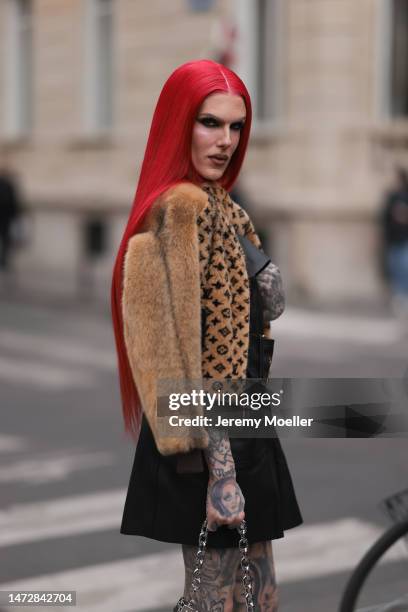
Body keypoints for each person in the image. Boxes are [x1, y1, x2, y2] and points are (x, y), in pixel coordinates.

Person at [111, 59, 303, 611]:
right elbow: (177, 356)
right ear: (178, 125)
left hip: (244, 420)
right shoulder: (178, 213)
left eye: (235, 127)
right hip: (207, 439)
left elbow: (271, 304)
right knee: (218, 602)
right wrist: (222, 473)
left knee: (259, 599)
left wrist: (260, 266)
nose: (224, 141)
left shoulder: (227, 212)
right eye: (209, 123)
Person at [381, 168, 408, 320]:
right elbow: (384, 218)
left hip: (405, 239)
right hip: (394, 240)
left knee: (405, 268)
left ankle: (404, 297)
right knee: (395, 269)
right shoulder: (391, 198)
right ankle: (399, 297)